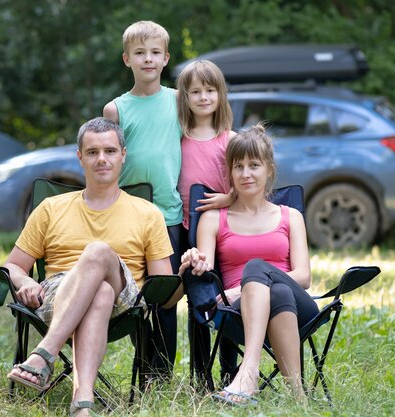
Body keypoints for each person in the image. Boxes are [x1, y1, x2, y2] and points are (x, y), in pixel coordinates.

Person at [5, 117, 173, 416]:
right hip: (58, 293)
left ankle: (44, 354)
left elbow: (164, 287)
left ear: (123, 154)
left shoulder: (147, 213)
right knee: (100, 291)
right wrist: (26, 282)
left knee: (97, 253)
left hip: (125, 301)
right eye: (93, 152)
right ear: (80, 156)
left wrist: (186, 272)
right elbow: (14, 266)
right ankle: (82, 402)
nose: (102, 159)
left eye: (109, 151)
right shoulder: (50, 208)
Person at [179, 123, 319, 404]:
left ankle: (248, 372)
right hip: (238, 313)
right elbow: (205, 267)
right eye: (238, 166)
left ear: (269, 169)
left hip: (298, 305)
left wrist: (243, 287)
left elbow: (303, 278)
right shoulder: (213, 218)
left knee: (257, 269)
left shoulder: (290, 216)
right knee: (275, 292)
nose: (245, 174)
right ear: (229, 172)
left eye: (254, 165)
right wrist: (193, 257)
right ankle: (299, 398)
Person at [103, 20, 182, 379]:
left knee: (164, 298)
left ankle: (162, 373)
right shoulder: (116, 110)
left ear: (165, 58)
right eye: (139, 53)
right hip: (131, 218)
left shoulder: (179, 101)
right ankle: (145, 367)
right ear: (126, 59)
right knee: (135, 297)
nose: (147, 59)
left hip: (169, 213)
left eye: (154, 53)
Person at [175, 59, 237, 384]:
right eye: (195, 91)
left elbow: (247, 186)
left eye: (209, 90)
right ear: (184, 96)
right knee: (197, 299)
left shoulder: (230, 140)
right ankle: (201, 375)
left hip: (226, 234)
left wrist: (228, 199)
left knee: (225, 299)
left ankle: (230, 371)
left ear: (219, 94)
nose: (203, 97)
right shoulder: (178, 139)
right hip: (189, 232)